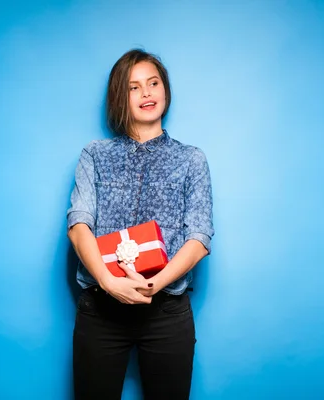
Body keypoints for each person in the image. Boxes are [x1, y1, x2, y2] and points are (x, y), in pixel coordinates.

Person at [66, 49, 214, 400]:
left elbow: (200, 236)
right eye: (134, 87)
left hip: (166, 311)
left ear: (165, 90)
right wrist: (107, 280)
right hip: (101, 308)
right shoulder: (94, 154)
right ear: (120, 96)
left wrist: (154, 284)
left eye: (153, 83)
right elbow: (78, 223)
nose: (147, 93)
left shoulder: (191, 159)